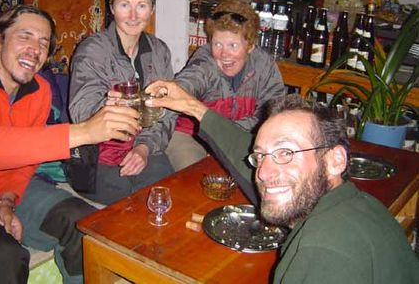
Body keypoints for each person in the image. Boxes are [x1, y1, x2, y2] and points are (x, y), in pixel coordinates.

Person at [0, 4, 141, 284]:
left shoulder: (40, 91)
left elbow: (25, 163)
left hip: (2, 190)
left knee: (85, 225)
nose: (35, 49)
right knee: (6, 258)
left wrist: (7, 199)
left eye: (43, 42)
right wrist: (85, 131)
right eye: (25, 36)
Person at [145, 81, 419, 283]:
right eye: (261, 156)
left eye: (286, 152)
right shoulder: (356, 204)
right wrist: (192, 106)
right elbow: (242, 151)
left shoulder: (324, 249)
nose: (263, 172)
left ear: (335, 160)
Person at [68, 0, 174, 205]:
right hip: (100, 155)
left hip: (146, 147)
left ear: (152, 9)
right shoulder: (92, 51)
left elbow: (167, 111)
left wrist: (144, 147)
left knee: (165, 195)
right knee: (129, 209)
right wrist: (113, 106)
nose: (134, 15)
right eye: (124, 5)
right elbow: (80, 112)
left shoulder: (159, 51)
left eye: (142, 5)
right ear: (112, 8)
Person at [166, 0, 285, 170]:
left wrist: (227, 136)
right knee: (200, 178)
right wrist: (171, 90)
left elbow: (273, 112)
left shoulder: (264, 64)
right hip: (192, 136)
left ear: (250, 45)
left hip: (240, 137)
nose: (223, 54)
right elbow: (190, 80)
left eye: (232, 45)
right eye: (217, 44)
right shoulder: (205, 61)